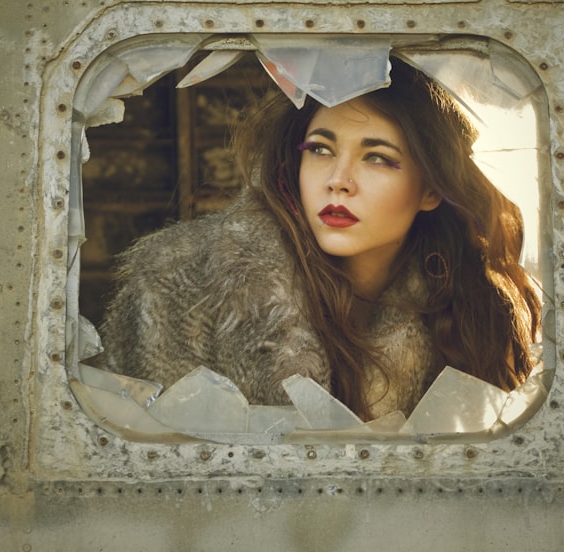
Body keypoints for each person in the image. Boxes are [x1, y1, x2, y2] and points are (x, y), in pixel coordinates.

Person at [97, 58, 541, 422]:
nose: (338, 181)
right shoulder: (182, 282)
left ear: (430, 190)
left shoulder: (472, 306)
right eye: (320, 149)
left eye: (378, 158)